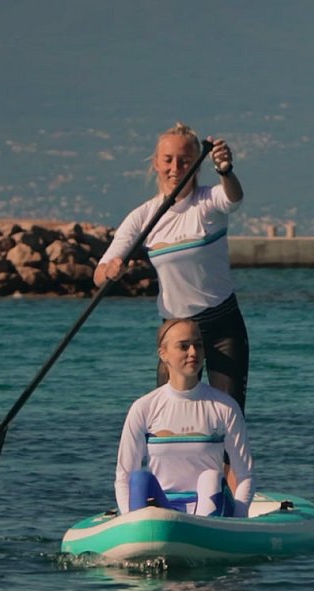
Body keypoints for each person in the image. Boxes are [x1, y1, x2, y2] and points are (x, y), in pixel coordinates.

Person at [94, 123, 250, 411]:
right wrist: (111, 270)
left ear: (196, 165)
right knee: (169, 417)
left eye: (185, 160)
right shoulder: (142, 217)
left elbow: (233, 198)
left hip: (222, 327)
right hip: (176, 330)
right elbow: (100, 272)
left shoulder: (208, 202)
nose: (175, 167)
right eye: (168, 160)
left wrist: (226, 171)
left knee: (228, 417)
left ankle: (226, 459)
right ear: (156, 163)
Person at [114, 318, 254, 516]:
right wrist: (129, 521)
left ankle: (205, 533)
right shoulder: (143, 408)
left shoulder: (225, 406)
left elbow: (245, 474)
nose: (193, 353)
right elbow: (124, 476)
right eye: (183, 346)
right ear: (163, 354)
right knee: (139, 479)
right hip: (164, 510)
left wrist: (240, 520)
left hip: (214, 509)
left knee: (211, 478)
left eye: (198, 345)